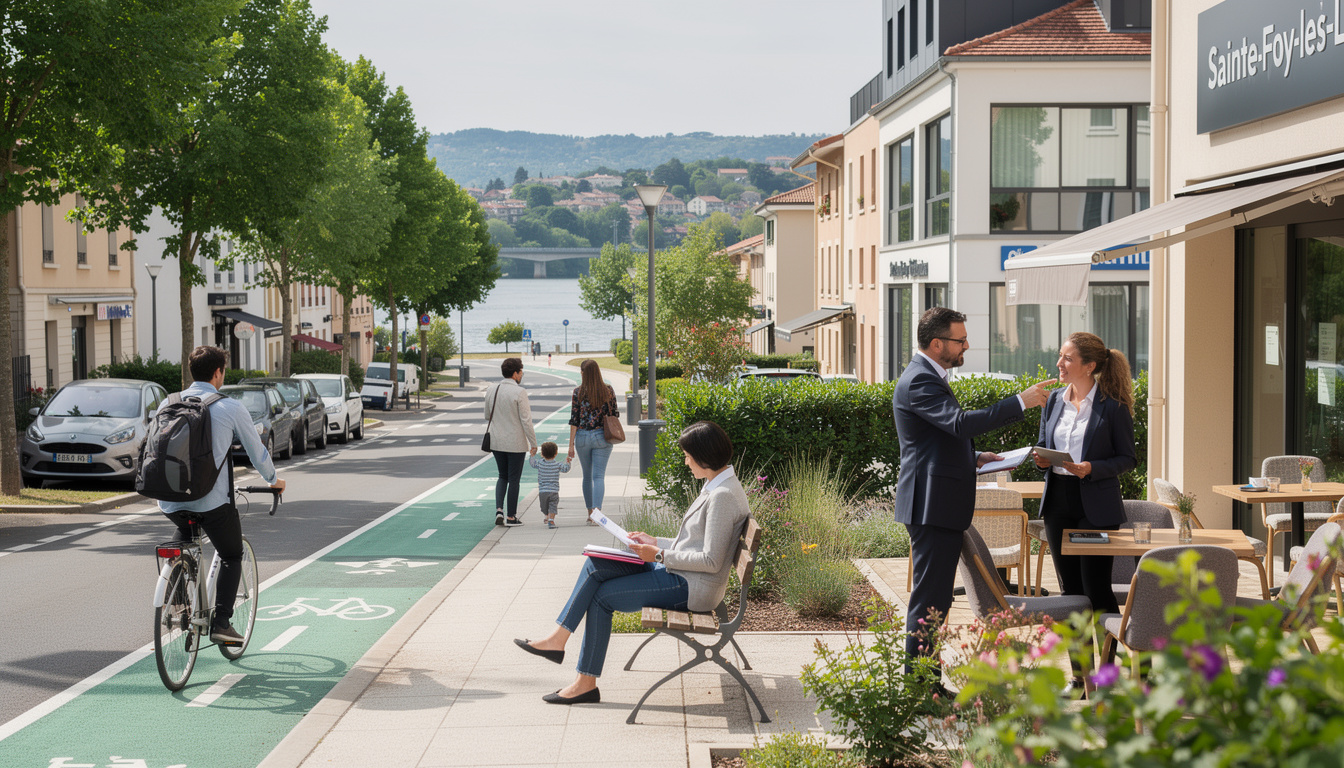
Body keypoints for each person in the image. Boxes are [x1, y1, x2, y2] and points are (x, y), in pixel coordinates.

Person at [514, 420, 750, 704]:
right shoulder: (719, 484)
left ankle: (583, 681)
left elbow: (711, 560)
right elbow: (695, 543)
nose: (686, 462)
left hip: (691, 586)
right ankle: (558, 641)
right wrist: (655, 541)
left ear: (704, 456)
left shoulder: (722, 495)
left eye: (688, 456)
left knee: (602, 597)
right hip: (682, 574)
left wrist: (658, 555)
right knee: (595, 564)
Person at [893, 307, 1053, 690]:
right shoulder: (920, 380)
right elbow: (959, 423)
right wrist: (1020, 402)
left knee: (936, 600)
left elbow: (935, 439)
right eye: (960, 340)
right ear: (937, 343)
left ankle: (926, 684)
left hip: (937, 504)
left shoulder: (929, 376)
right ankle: (920, 688)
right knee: (930, 601)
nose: (967, 346)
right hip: (931, 506)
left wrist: (975, 457)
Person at [159, 346, 285, 644]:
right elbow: (256, 451)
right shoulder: (230, 407)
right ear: (218, 372)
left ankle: (178, 596)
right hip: (212, 501)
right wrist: (273, 480)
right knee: (231, 554)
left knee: (183, 534)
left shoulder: (168, 403)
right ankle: (222, 623)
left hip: (169, 498)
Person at [1033, 332, 1137, 617]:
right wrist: (1041, 461)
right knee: (1069, 592)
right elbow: (1043, 445)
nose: (1059, 363)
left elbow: (1128, 458)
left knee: (1096, 588)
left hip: (1096, 507)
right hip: (1057, 502)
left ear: (1089, 366)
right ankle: (1078, 650)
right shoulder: (1054, 401)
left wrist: (1092, 468)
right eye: (1060, 356)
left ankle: (1110, 648)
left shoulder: (1113, 406)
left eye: (1068, 358)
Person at [484, 357, 537, 526]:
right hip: (515, 442)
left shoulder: (492, 389)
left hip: (496, 440)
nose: (521, 375)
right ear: (515, 373)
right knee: (514, 479)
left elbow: (487, 415)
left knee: (502, 476)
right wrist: (533, 443)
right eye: (521, 372)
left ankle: (499, 510)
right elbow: (526, 421)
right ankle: (511, 516)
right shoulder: (520, 392)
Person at [567, 359, 618, 524]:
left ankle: (590, 513)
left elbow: (574, 420)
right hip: (602, 437)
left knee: (587, 476)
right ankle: (597, 514)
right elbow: (615, 413)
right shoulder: (608, 390)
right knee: (599, 476)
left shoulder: (578, 392)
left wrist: (570, 445)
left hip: (582, 437)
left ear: (583, 373)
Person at [529, 441, 571, 529]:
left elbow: (533, 464)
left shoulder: (540, 463)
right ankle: (551, 519)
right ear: (556, 453)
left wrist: (532, 455)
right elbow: (566, 469)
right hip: (554, 491)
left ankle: (547, 516)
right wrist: (568, 462)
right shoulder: (557, 464)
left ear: (542, 453)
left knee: (543, 507)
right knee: (553, 506)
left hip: (543, 491)